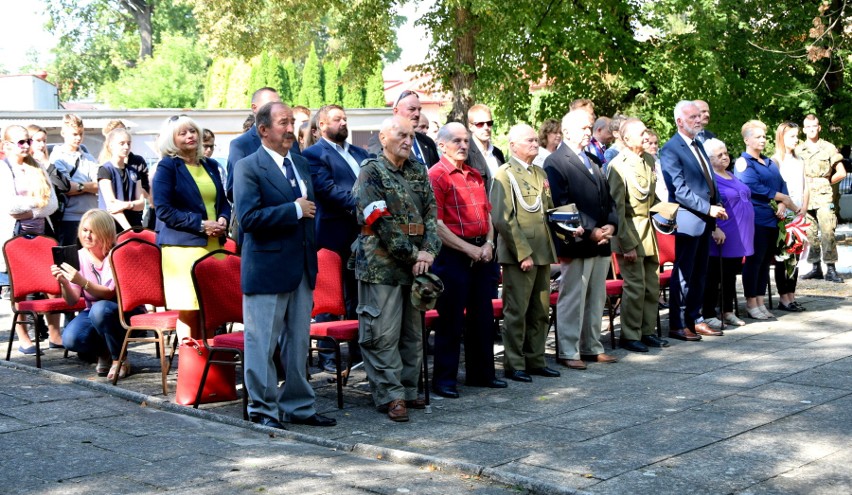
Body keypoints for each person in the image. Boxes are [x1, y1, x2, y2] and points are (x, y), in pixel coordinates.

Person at [234, 101, 336, 429]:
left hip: (302, 269)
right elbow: (248, 219)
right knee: (262, 343)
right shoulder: (248, 166)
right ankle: (263, 411)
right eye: (283, 123)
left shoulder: (301, 163)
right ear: (263, 130)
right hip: (266, 270)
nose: (291, 129)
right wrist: (292, 210)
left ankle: (299, 407)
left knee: (298, 343)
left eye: (292, 122)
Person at [352, 116, 441, 422]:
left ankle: (408, 389)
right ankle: (391, 395)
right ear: (384, 137)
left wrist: (428, 252)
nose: (408, 140)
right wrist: (413, 254)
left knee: (412, 334)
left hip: (415, 266)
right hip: (381, 267)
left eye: (411, 135)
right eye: (401, 134)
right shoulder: (371, 172)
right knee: (383, 333)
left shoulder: (418, 170)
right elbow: (380, 221)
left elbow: (432, 213)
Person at [428, 122, 506, 398]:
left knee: (482, 317)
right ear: (441, 145)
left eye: (466, 141)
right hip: (452, 256)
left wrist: (487, 243)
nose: (463, 145)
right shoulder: (436, 176)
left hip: (482, 252)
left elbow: (488, 215)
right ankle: (445, 380)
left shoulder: (474, 174)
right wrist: (468, 249)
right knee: (450, 319)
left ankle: (481, 374)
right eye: (457, 141)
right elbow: (436, 225)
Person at [544, 110, 619, 366]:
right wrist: (590, 231)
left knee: (596, 298)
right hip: (576, 241)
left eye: (589, 128)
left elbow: (607, 198)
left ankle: (591, 345)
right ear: (566, 131)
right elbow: (561, 205)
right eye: (584, 128)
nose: (588, 132)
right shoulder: (556, 161)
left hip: (601, 241)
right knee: (573, 297)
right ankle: (568, 350)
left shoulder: (593, 159)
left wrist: (610, 225)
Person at [304, 104, 372, 373]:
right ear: (321, 126)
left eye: (345, 118)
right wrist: (367, 206)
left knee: (358, 296)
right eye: (336, 119)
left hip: (364, 235)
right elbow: (327, 191)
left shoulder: (360, 153)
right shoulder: (313, 155)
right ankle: (328, 356)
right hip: (332, 234)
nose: (343, 123)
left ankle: (358, 353)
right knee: (330, 297)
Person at [491, 124, 560, 383]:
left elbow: (548, 209)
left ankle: (536, 359)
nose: (535, 143)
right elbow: (503, 218)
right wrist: (522, 253)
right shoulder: (504, 174)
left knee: (540, 311)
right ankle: (515, 363)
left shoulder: (539, 172)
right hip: (520, 255)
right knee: (517, 312)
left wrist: (570, 226)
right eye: (529, 140)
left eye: (535, 140)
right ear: (513, 146)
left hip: (542, 250)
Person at [152, 116, 231, 340]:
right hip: (183, 249)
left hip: (215, 245)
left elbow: (223, 202)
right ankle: (191, 366)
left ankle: (210, 363)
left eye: (193, 131)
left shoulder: (211, 165)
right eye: (183, 133)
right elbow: (164, 210)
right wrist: (200, 224)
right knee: (190, 309)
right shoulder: (168, 166)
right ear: (172, 140)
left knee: (211, 309)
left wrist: (224, 218)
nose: (190, 136)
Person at [660, 100, 728, 341]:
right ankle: (678, 324)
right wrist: (708, 208)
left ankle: (695, 319)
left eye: (699, 116)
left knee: (700, 273)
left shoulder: (699, 143)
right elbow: (679, 190)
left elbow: (710, 181)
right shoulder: (671, 149)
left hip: (705, 220)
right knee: (684, 274)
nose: (699, 120)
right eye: (692, 118)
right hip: (688, 220)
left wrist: (716, 206)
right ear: (679, 121)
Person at [52, 209, 145, 379]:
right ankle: (105, 351)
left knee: (101, 310)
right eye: (84, 230)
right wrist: (64, 282)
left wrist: (82, 281)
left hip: (125, 310)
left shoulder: (116, 254)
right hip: (95, 312)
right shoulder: (78, 256)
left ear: (105, 232)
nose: (87, 235)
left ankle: (119, 360)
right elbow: (72, 301)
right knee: (71, 338)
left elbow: (109, 294)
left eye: (92, 231)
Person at [606, 118, 671, 352]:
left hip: (649, 233)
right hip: (630, 233)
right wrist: (626, 244)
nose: (646, 137)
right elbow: (617, 209)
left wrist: (672, 212)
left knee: (651, 287)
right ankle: (630, 335)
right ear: (625, 139)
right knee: (635, 288)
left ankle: (647, 331)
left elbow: (651, 199)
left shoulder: (648, 160)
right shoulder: (617, 166)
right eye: (642, 133)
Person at [1, 125, 61, 354]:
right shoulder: (4, 169)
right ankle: (24, 338)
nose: (26, 145)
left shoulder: (38, 168)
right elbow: (9, 206)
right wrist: (38, 203)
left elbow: (52, 204)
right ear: (6, 145)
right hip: (14, 235)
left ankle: (55, 334)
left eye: (27, 141)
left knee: (53, 283)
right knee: (19, 288)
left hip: (42, 233)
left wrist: (32, 210)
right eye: (20, 142)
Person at [734, 120, 798, 320]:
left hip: (773, 219)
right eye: (758, 137)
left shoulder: (769, 162)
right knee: (755, 262)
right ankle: (751, 303)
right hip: (755, 219)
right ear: (747, 139)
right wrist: (780, 197)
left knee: (764, 263)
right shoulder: (743, 163)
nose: (763, 140)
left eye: (764, 137)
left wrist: (782, 203)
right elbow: (752, 186)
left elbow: (782, 184)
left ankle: (760, 301)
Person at [701, 139, 753, 329]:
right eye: (719, 155)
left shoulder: (730, 174)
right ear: (708, 159)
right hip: (722, 232)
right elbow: (709, 204)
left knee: (730, 274)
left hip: (738, 233)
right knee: (714, 274)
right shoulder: (709, 178)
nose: (725, 157)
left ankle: (727, 310)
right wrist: (714, 227)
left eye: (726, 153)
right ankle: (708, 312)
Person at [797, 114, 846, 283]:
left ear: (819, 127)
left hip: (823, 195)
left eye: (814, 126)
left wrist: (825, 181)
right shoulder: (798, 149)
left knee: (827, 231)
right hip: (805, 195)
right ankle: (815, 267)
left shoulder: (828, 147)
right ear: (804, 130)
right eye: (808, 127)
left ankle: (831, 268)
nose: (811, 129)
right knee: (809, 232)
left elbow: (841, 172)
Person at [773, 122, 808, 311]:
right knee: (783, 258)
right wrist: (790, 207)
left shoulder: (800, 160)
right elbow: (777, 190)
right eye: (792, 136)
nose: (796, 139)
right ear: (782, 137)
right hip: (784, 216)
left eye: (797, 136)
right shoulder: (776, 160)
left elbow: (805, 185)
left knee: (795, 256)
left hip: (798, 214)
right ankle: (784, 297)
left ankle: (792, 295)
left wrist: (804, 207)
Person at [49, 114, 100, 246]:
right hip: (69, 218)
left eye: (81, 134)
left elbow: (100, 184)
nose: (78, 138)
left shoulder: (88, 157)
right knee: (69, 261)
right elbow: (66, 188)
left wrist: (79, 186)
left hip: (91, 216)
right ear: (63, 133)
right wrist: (89, 186)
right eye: (74, 134)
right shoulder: (57, 157)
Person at [226, 87, 283, 201]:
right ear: (254, 108)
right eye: (270, 104)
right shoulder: (241, 145)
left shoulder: (290, 141)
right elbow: (234, 190)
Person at [368, 90, 439, 168]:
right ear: (396, 111)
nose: (417, 114)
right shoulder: (381, 141)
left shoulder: (427, 142)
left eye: (419, 110)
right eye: (412, 109)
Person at [97, 128, 144, 230]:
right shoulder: (105, 170)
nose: (126, 147)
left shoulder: (133, 171)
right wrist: (128, 230)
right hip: (111, 227)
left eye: (128, 143)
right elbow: (112, 205)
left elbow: (141, 203)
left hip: (134, 224)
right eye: (122, 143)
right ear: (111, 145)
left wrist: (126, 205)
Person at [466, 104, 505, 192]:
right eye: (480, 124)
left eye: (489, 123)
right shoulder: (465, 154)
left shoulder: (497, 153)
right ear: (471, 126)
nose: (486, 127)